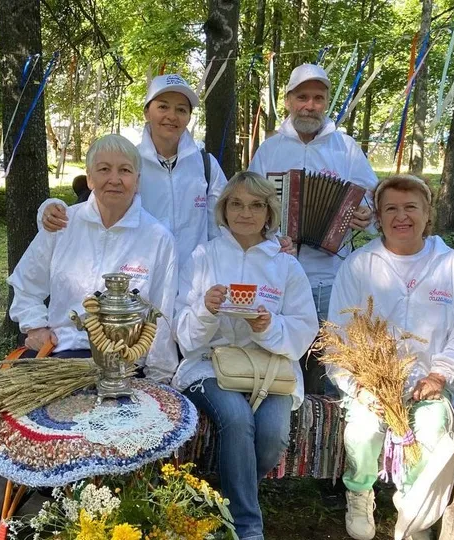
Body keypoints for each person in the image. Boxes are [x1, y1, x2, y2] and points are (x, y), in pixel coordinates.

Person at [326, 174, 454, 540]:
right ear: (378, 217)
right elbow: (338, 337)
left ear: (428, 214)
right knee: (363, 431)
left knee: (430, 431)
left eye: (411, 207)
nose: (402, 217)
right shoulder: (359, 265)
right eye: (391, 209)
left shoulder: (451, 265)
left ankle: (413, 507)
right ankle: (359, 491)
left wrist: (440, 375)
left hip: (431, 385)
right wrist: (362, 386)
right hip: (371, 383)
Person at [173, 171, 319, 540]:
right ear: (223, 209)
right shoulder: (204, 256)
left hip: (271, 367)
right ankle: (247, 527)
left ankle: (223, 498)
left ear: (269, 213)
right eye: (236, 203)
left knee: (272, 435)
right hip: (208, 365)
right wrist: (206, 309)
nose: (245, 213)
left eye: (256, 205)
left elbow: (304, 330)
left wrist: (266, 327)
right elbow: (186, 336)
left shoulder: (285, 264)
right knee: (237, 419)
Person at [7, 134, 179, 381]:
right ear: (89, 178)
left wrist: (158, 379)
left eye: (125, 170)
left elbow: (161, 316)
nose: (114, 179)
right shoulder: (63, 225)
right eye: (104, 169)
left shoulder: (158, 239)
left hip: (127, 365)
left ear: (138, 181)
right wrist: (35, 325)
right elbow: (26, 283)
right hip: (62, 355)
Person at [37, 74, 227, 261]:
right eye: (163, 106)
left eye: (181, 109)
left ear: (188, 117)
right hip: (139, 278)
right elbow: (95, 210)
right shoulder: (127, 163)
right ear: (146, 112)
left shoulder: (206, 165)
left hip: (193, 285)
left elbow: (220, 228)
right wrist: (51, 209)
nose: (172, 116)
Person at [247, 63, 379, 320]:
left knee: (327, 352)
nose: (310, 105)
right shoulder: (270, 149)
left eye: (318, 98)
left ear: (327, 103)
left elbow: (375, 201)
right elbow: (249, 203)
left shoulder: (347, 148)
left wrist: (367, 214)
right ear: (287, 101)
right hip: (276, 272)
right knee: (281, 350)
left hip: (330, 275)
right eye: (302, 97)